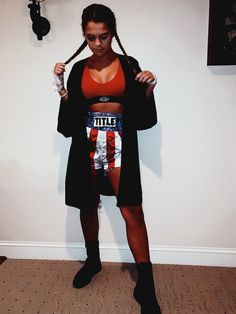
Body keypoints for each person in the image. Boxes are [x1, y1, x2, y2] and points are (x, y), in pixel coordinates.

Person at [53, 4, 161, 314]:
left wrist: (149, 87)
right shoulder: (77, 69)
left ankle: (146, 284)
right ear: (84, 36)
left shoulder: (129, 65)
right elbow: (70, 116)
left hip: (120, 142)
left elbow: (141, 115)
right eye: (91, 37)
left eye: (103, 36)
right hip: (86, 142)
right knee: (87, 203)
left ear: (112, 33)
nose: (98, 44)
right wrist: (62, 91)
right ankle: (93, 260)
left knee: (131, 207)